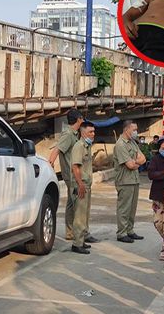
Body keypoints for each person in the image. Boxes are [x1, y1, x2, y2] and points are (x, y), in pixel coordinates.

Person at [49, 109, 99, 243]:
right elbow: (57, 149)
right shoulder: (68, 135)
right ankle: (81, 233)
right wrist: (50, 164)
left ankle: (71, 232)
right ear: (79, 119)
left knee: (72, 203)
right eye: (82, 118)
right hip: (73, 175)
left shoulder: (76, 135)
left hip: (75, 174)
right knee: (80, 206)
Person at [113, 120, 146, 243]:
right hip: (124, 181)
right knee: (124, 208)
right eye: (134, 130)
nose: (136, 132)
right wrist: (136, 162)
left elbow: (143, 158)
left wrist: (135, 162)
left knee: (132, 208)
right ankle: (121, 233)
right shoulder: (120, 144)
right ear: (127, 130)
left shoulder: (132, 143)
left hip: (134, 180)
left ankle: (129, 230)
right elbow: (130, 165)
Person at [70, 121, 96, 254]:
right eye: (90, 132)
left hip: (86, 185)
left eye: (93, 132)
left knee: (85, 214)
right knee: (79, 216)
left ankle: (82, 240)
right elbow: (75, 166)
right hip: (81, 185)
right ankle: (77, 243)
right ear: (83, 132)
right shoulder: (79, 146)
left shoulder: (87, 146)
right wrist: (80, 184)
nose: (93, 134)